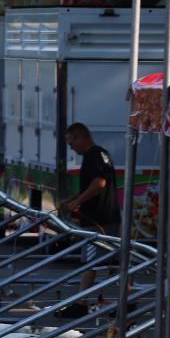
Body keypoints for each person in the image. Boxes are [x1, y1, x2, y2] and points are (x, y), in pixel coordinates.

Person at [59, 122, 121, 297]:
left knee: (90, 263)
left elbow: (99, 184)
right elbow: (92, 183)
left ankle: (81, 303)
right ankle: (122, 301)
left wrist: (77, 202)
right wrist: (71, 199)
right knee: (114, 262)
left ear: (79, 137)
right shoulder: (101, 154)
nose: (72, 148)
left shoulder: (92, 155)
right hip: (109, 217)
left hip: (97, 219)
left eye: (71, 144)